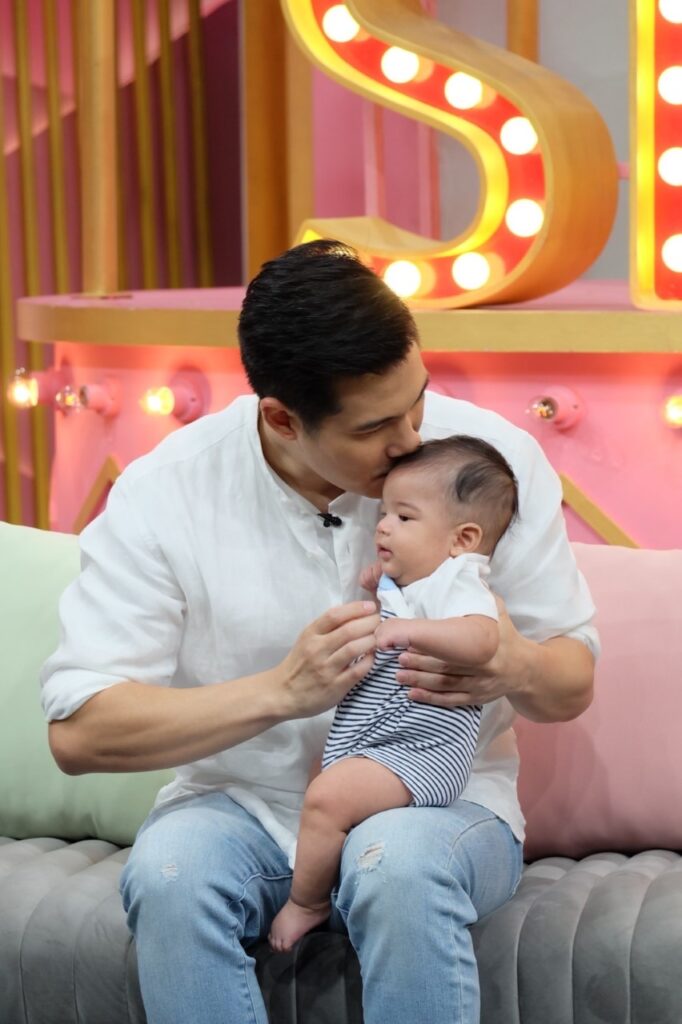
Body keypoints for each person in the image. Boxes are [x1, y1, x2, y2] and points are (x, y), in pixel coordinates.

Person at [41, 239, 598, 1024]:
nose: (413, 441)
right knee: (172, 875)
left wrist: (515, 665)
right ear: (281, 417)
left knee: (397, 866)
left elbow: (572, 679)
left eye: (418, 401)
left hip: (438, 803)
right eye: (376, 427)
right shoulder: (164, 493)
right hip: (240, 805)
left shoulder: (490, 463)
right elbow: (79, 731)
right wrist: (280, 692)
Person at [269, 434, 519, 952]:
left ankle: (307, 902)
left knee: (326, 799)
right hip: (384, 740)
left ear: (462, 539)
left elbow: (482, 639)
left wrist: (406, 630)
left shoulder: (460, 580)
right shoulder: (415, 582)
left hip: (423, 750)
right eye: (384, 513)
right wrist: (383, 587)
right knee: (330, 795)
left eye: (404, 517)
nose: (383, 526)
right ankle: (335, 884)